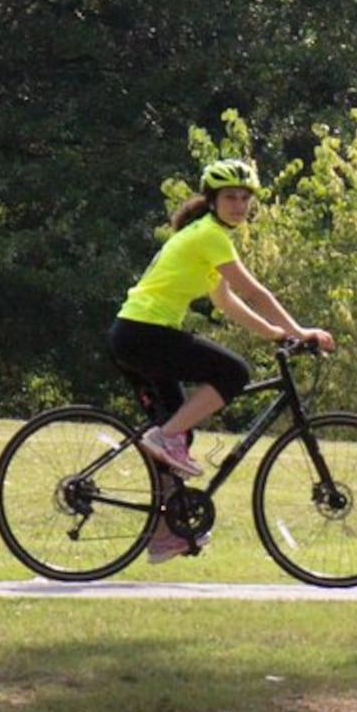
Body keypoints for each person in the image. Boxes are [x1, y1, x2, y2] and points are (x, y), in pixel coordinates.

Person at [112, 151, 330, 561]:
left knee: (181, 428)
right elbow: (254, 292)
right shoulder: (210, 236)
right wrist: (301, 332)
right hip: (144, 334)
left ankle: (165, 534)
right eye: (231, 197)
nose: (240, 205)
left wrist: (275, 334)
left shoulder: (205, 236)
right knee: (233, 372)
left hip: (135, 336)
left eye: (245, 198)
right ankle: (163, 437)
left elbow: (226, 301)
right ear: (212, 201)